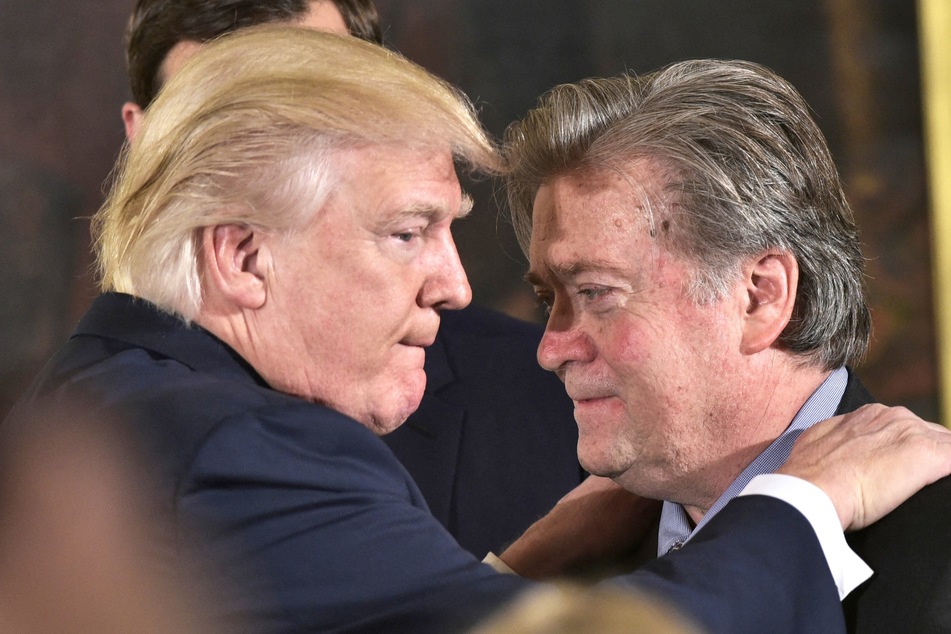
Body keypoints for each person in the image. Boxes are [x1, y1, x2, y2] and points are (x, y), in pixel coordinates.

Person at [6, 28, 951, 632]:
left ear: (759, 296)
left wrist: (518, 568)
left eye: (596, 291)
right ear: (242, 259)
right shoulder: (234, 445)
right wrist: (798, 507)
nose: (463, 293)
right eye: (407, 231)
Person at [119, 0, 587, 559]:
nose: (269, 154)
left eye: (321, 97)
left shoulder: (555, 404)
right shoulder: (85, 455)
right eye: (217, 121)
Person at [503, 58, 951, 632]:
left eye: (595, 292)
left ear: (760, 298)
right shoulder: (553, 568)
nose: (551, 349)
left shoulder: (940, 550)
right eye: (549, 300)